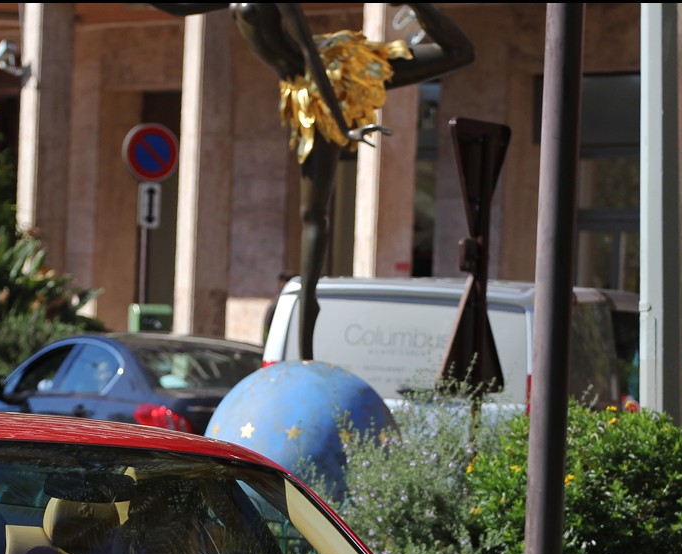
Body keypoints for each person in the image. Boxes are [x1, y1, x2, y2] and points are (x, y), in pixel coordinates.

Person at [152, 3, 474, 363]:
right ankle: (305, 347)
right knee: (313, 216)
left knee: (314, 218)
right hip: (305, 87)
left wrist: (341, 123)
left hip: (331, 79)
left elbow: (309, 53)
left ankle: (306, 347)